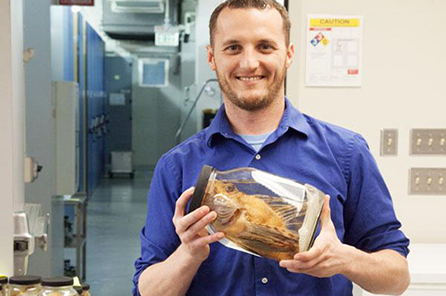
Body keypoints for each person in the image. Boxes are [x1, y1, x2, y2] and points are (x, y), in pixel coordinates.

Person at [133, 0, 410, 295]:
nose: (249, 63)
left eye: (265, 46)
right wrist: (188, 254)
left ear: (288, 55)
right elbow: (147, 289)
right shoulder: (177, 166)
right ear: (212, 57)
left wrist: (345, 259)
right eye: (233, 48)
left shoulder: (346, 153)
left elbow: (397, 278)